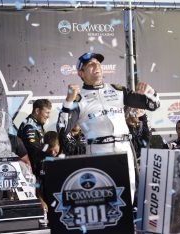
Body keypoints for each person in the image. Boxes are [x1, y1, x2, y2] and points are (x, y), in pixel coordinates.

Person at [57, 52, 160, 201]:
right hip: (99, 150)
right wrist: (68, 102)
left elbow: (154, 104)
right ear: (81, 73)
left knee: (130, 194)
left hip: (124, 147)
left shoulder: (118, 91)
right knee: (105, 195)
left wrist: (149, 91)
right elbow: (62, 129)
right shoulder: (78, 98)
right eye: (90, 65)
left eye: (98, 64)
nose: (96, 66)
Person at [17, 99, 52, 178]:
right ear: (37, 111)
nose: (48, 116)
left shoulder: (36, 124)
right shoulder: (29, 126)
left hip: (36, 168)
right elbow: (34, 149)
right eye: (47, 112)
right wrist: (50, 153)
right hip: (31, 170)